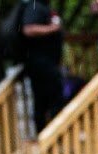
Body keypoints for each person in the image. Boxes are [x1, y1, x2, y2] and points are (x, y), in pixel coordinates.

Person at [21, 0, 66, 129]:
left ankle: (50, 134)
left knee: (47, 100)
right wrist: (53, 28)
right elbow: (28, 29)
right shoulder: (35, 6)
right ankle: (49, 135)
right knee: (47, 101)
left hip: (48, 63)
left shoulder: (44, 7)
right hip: (40, 64)